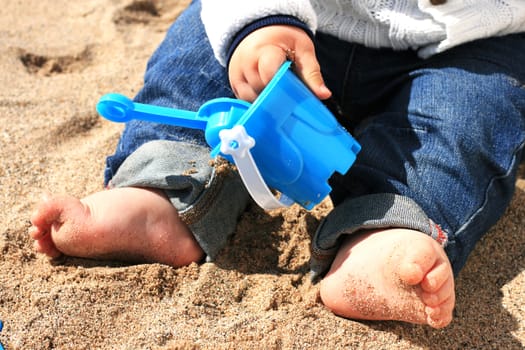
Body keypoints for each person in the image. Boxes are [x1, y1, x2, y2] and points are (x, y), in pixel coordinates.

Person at [29, 0, 525, 328]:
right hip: (298, 20)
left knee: (472, 113)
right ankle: (163, 185)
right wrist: (259, 23)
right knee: (200, 58)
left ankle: (387, 227)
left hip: (466, 45)